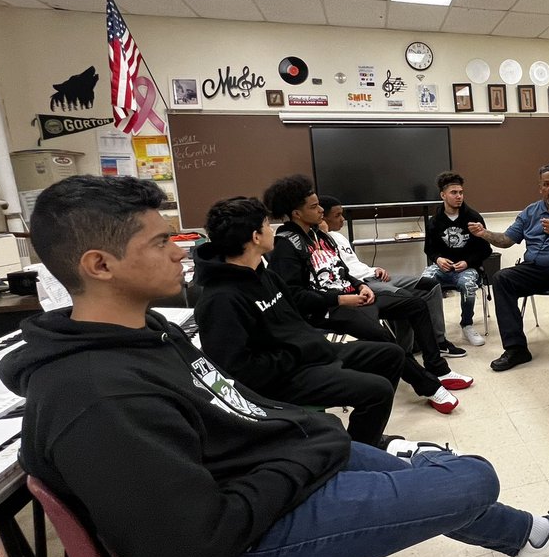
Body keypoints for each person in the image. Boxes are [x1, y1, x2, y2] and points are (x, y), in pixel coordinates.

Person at [2, 175, 549, 557]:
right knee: (472, 478)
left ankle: (531, 538)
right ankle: (516, 525)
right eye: (161, 243)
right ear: (99, 265)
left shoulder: (141, 330)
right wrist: (307, 450)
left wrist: (304, 441)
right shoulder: (94, 397)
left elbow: (235, 408)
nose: (183, 250)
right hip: (244, 556)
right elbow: (193, 541)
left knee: (414, 466)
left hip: (270, 473)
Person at [192, 195, 447, 433]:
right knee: (377, 390)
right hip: (283, 377)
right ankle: (355, 454)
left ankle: (366, 438)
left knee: (390, 354)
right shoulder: (220, 300)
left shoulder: (265, 275)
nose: (273, 230)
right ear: (256, 237)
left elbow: (294, 323)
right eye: (267, 225)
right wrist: (300, 352)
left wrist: (312, 346)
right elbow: (237, 371)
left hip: (308, 355)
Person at [262, 176, 473, 411]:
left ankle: (437, 368)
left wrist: (360, 286)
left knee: (415, 304)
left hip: (354, 297)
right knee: (383, 338)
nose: (321, 209)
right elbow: (293, 296)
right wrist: (342, 299)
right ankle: (429, 387)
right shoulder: (286, 245)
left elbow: (340, 271)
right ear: (296, 213)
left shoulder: (320, 236)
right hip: (327, 310)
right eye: (313, 207)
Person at [469, 165, 549, 371]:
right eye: (547, 184)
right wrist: (484, 233)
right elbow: (506, 240)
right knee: (501, 279)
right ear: (540, 188)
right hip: (534, 269)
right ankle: (516, 349)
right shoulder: (530, 212)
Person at [320, 193, 467, 358]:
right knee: (406, 300)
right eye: (337, 215)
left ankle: (439, 341)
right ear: (322, 218)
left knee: (430, 285)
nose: (343, 219)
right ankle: (405, 353)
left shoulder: (339, 236)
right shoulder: (317, 241)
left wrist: (374, 268)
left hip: (372, 275)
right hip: (361, 284)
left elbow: (353, 263)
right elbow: (338, 272)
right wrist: (320, 233)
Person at [421, 171, 492, 348]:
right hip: (442, 268)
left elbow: (486, 249)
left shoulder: (473, 217)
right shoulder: (434, 221)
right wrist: (437, 259)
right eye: (454, 193)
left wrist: (468, 262)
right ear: (443, 195)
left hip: (467, 268)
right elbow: (429, 249)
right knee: (424, 281)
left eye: (461, 192)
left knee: (468, 285)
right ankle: (434, 329)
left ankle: (467, 324)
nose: (458, 196)